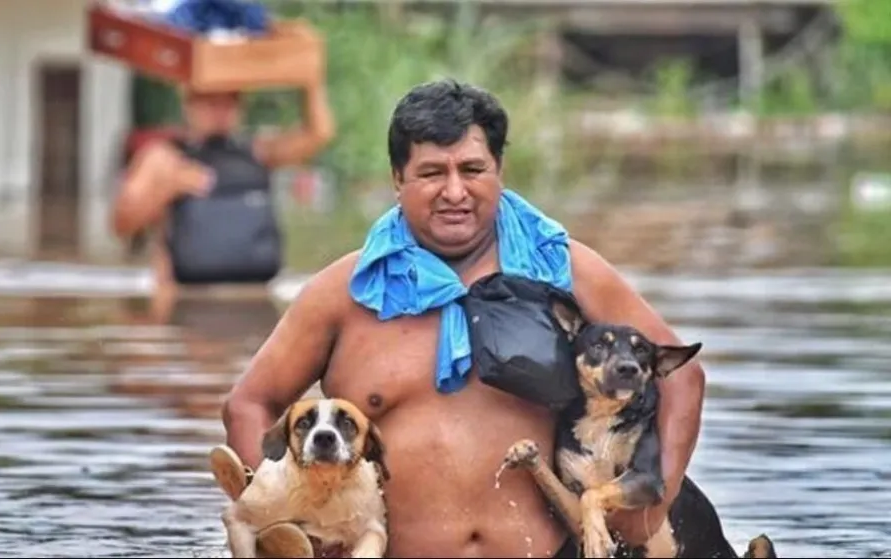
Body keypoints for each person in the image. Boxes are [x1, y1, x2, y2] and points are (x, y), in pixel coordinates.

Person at [221, 79, 706, 558]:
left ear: (499, 170)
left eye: (473, 169)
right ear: (397, 178)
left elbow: (682, 377)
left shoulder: (566, 271)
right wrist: (285, 526)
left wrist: (650, 508)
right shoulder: (344, 291)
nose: (454, 191)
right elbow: (249, 404)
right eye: (432, 173)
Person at [110, 83, 335, 303]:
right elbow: (121, 223)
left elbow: (319, 134)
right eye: (210, 102)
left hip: (253, 296)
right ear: (189, 103)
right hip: (185, 297)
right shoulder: (164, 158)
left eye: (230, 102)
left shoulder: (260, 152)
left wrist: (310, 82)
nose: (220, 112)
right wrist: (168, 188)